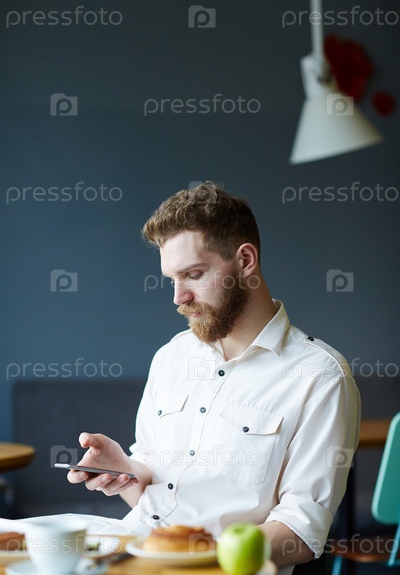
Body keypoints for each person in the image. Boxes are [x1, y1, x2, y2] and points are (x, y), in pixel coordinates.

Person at [68, 181, 360, 573]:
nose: (178, 297)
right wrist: (123, 470)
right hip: (130, 553)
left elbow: (301, 532)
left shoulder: (320, 376)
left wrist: (194, 556)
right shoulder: (171, 357)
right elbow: (151, 497)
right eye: (172, 279)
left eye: (193, 274)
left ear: (245, 260)